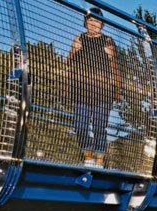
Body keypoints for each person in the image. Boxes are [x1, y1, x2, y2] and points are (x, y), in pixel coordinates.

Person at [66, 7, 122, 168]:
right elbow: (70, 61)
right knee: (80, 125)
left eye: (97, 22)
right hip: (80, 89)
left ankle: (99, 160)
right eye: (90, 21)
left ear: (102, 24)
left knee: (99, 126)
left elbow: (114, 66)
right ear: (85, 23)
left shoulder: (108, 40)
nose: (93, 24)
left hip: (102, 91)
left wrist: (117, 89)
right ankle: (87, 157)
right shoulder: (80, 38)